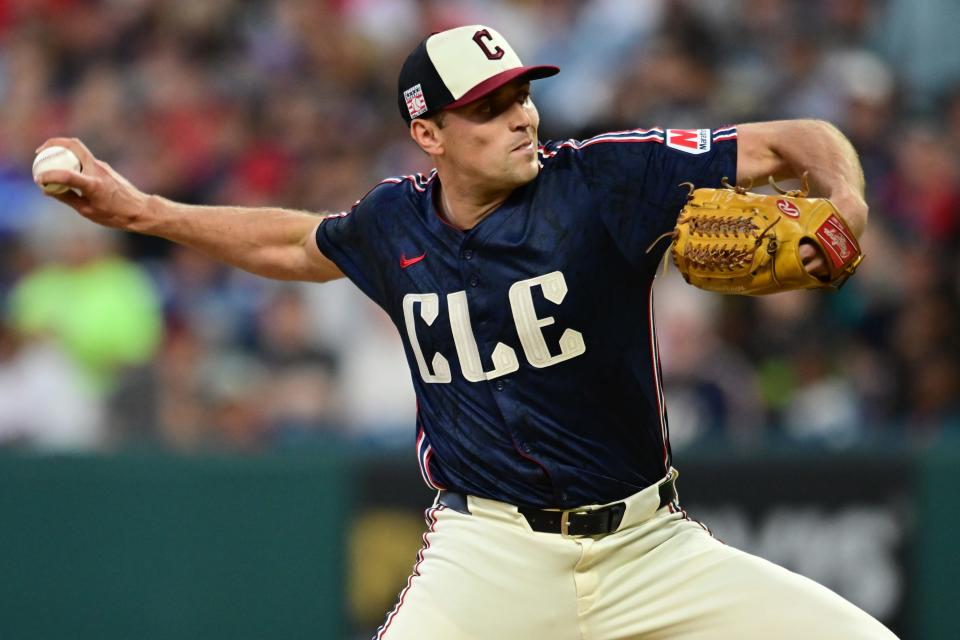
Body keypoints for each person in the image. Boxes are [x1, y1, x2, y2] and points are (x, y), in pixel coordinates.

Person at [35, 24, 895, 640]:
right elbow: (293, 242)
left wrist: (846, 201)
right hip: (489, 553)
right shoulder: (391, 224)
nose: (521, 116)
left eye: (522, 94)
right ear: (427, 134)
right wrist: (142, 210)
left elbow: (803, 139)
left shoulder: (605, 177)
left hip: (650, 547)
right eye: (488, 107)